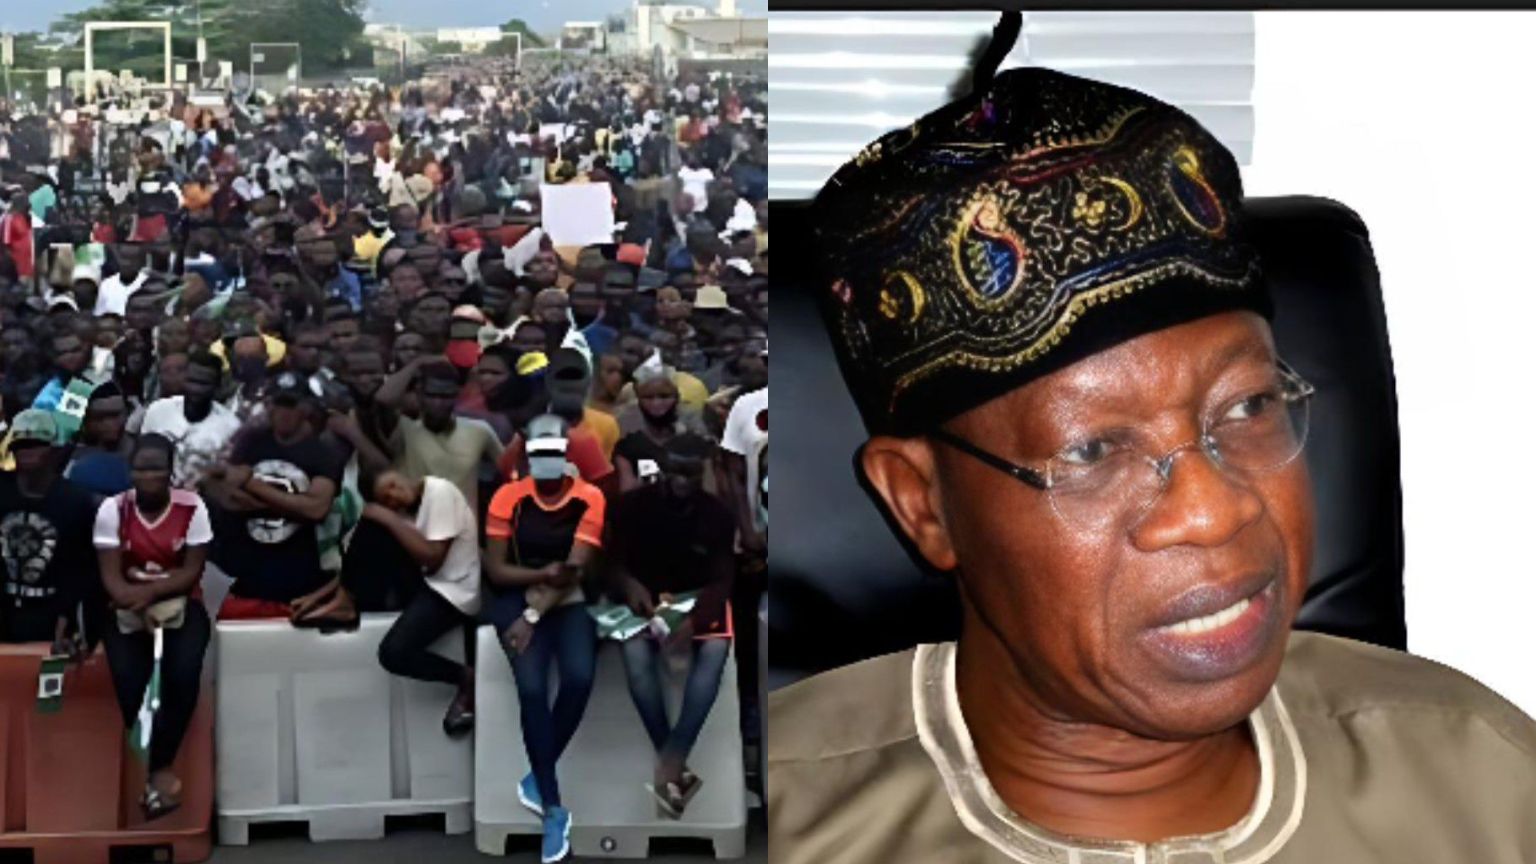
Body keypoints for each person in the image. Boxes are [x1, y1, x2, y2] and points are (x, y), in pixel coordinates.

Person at [769, 62, 1536, 861]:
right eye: (1094, 450)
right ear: (923, 503)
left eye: (1248, 407)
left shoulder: (1482, 782)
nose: (1214, 508)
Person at [483, 414, 605, 864]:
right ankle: (553, 807)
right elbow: (497, 569)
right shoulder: (508, 497)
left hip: (565, 600)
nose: (547, 463)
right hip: (515, 596)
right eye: (539, 455)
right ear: (527, 458)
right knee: (532, 688)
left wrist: (535, 611)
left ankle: (537, 774)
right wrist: (539, 578)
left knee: (578, 677)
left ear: (568, 458)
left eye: (555, 454)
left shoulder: (588, 498)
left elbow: (573, 570)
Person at [608, 434, 735, 817]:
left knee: (715, 651)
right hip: (642, 598)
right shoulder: (631, 507)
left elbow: (723, 579)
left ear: (704, 473)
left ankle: (672, 757)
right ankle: (672, 762)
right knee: (635, 658)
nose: (682, 480)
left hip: (696, 598)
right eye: (676, 471)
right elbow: (610, 563)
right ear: (663, 469)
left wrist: (693, 619)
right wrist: (628, 585)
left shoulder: (718, 514)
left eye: (691, 473)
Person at [92, 433, 213, 820]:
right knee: (131, 682)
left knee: (184, 672)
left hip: (177, 601)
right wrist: (134, 602)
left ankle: (160, 767)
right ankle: (153, 775)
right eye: (141, 468)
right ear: (130, 471)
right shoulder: (114, 510)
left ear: (171, 471)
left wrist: (152, 596)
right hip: (125, 601)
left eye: (157, 468)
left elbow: (192, 570)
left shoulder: (193, 507)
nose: (149, 476)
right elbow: (111, 577)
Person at [334, 470, 484, 735]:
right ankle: (346, 596)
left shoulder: (439, 490)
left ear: (405, 474)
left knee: (393, 653)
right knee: (372, 527)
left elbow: (433, 557)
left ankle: (465, 677)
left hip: (453, 590)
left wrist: (389, 518)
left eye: (392, 486)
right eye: (387, 499)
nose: (393, 496)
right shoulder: (411, 511)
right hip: (428, 582)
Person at [204, 371, 342, 619]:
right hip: (247, 573)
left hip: (300, 576)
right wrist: (293, 504)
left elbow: (317, 509)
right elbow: (228, 498)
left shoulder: (322, 453)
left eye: (290, 404)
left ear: (306, 407)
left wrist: (252, 485)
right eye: (277, 403)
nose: (282, 412)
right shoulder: (252, 443)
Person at [0, 410, 100, 649]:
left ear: (55, 450)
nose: (27, 450)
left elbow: (82, 570)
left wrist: (68, 620)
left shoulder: (76, 501)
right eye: (22, 444)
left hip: (50, 614)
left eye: (36, 444)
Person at [378, 357, 503, 513]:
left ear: (456, 395)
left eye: (446, 397)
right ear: (420, 395)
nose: (438, 403)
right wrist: (417, 362)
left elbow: (508, 470)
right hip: (411, 525)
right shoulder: (404, 427)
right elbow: (383, 400)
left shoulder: (479, 430)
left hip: (463, 528)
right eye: (432, 395)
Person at [139, 351, 242, 490]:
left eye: (203, 383)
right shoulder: (158, 411)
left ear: (217, 386)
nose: (196, 390)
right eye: (191, 381)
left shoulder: (231, 426)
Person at [64, 380, 133, 496]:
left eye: (114, 416)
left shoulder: (142, 451)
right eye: (100, 417)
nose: (108, 424)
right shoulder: (68, 456)